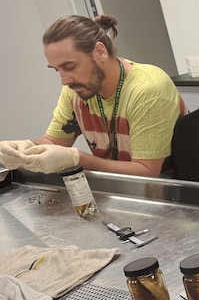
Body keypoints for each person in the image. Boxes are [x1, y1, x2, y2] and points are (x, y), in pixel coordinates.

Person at [0, 14, 185, 177]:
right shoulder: (75, 90)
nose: (64, 81)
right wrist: (25, 149)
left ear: (100, 52)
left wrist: (77, 158)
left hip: (171, 196)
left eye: (69, 67)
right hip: (122, 191)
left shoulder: (147, 89)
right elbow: (54, 141)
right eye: (57, 70)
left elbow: (147, 173)